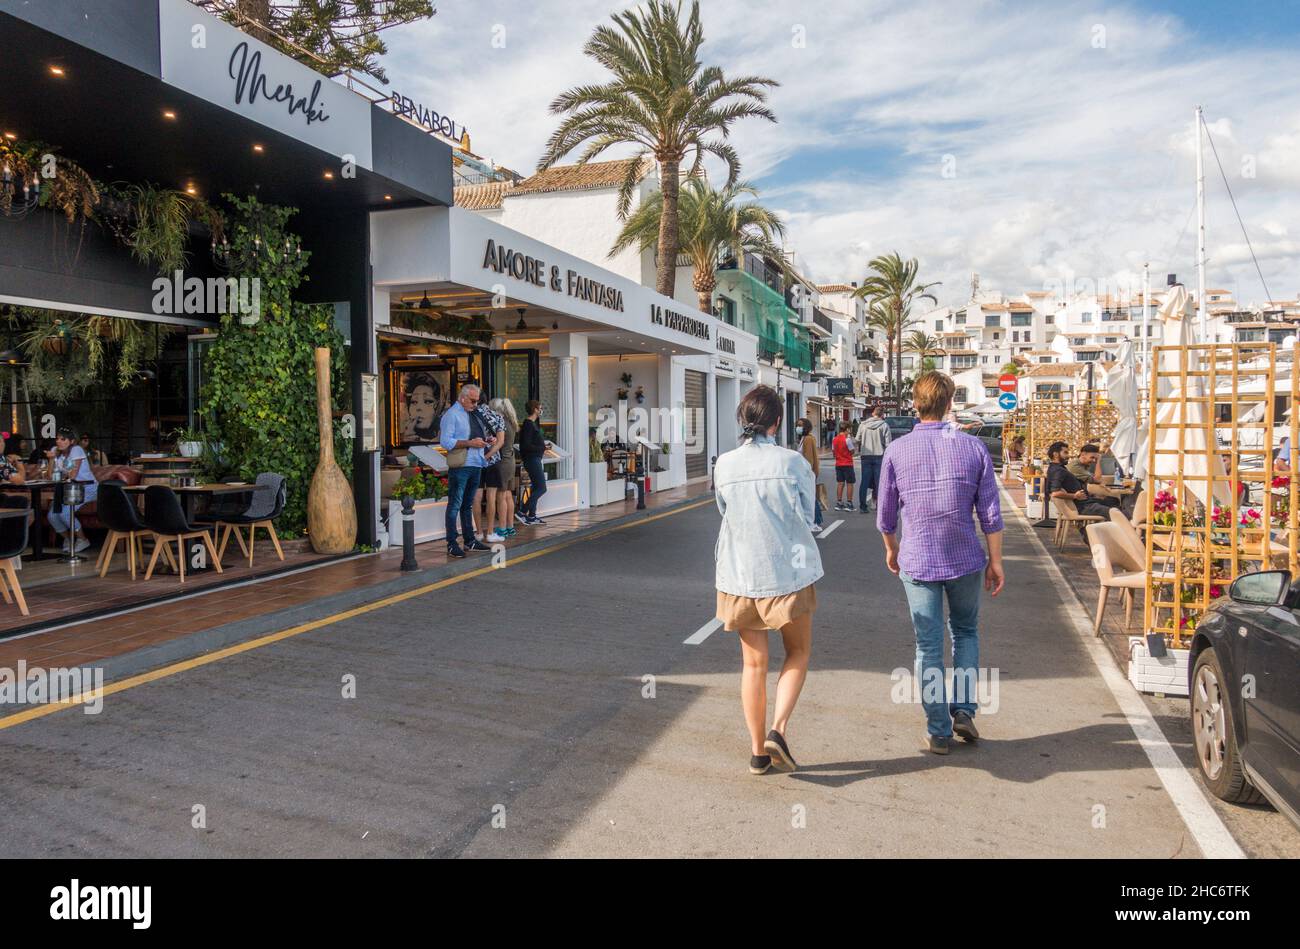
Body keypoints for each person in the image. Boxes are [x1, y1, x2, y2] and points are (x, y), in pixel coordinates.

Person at [877, 372, 1004, 756]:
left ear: (915, 404)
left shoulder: (897, 450)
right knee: (965, 632)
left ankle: (938, 730)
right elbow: (991, 513)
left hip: (917, 559)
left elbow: (885, 515)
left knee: (927, 646)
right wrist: (995, 560)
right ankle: (963, 709)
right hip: (965, 556)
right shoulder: (973, 448)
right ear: (949, 403)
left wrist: (891, 548)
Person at [714, 385, 822, 775]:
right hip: (788, 573)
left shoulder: (724, 464)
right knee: (798, 652)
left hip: (739, 575)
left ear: (743, 420)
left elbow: (723, 511)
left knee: (753, 665)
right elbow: (809, 516)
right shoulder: (793, 462)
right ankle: (779, 729)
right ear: (777, 422)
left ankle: (757, 753)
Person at [438, 384, 493, 559]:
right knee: (455, 504)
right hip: (461, 465)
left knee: (467, 505)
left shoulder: (473, 413)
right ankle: (452, 543)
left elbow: (474, 437)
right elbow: (446, 442)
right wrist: (470, 443)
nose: (476, 404)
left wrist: (485, 440)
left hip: (476, 462)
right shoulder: (452, 415)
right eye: (473, 400)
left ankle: (469, 540)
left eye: (477, 400)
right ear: (462, 398)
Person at [45, 427, 99, 554]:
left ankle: (82, 539)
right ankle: (69, 539)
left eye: (63, 439)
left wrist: (60, 473)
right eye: (57, 439)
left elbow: (73, 475)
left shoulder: (76, 450)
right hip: (67, 488)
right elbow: (49, 476)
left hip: (87, 487)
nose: (58, 441)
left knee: (64, 513)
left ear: (72, 441)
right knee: (52, 516)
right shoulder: (54, 451)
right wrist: (51, 459)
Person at [1045, 441, 1117, 524]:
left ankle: (1094, 532)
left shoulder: (1057, 468)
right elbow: (1055, 493)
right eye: (1065, 452)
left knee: (1113, 502)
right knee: (1115, 512)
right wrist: (1075, 496)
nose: (1068, 456)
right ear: (1055, 454)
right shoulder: (1058, 470)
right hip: (1083, 506)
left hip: (1084, 503)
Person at [473, 397, 508, 544]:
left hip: (474, 460)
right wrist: (488, 456)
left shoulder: (471, 415)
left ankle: (479, 533)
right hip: (492, 461)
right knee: (491, 498)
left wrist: (481, 457)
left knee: (477, 497)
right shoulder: (497, 417)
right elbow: (500, 442)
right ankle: (491, 533)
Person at [489, 397, 519, 538]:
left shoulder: (500, 423)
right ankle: (510, 526)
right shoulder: (511, 422)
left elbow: (497, 443)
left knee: (500, 496)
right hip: (510, 461)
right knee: (508, 494)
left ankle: (501, 528)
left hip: (501, 462)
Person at [518, 400, 549, 526]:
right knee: (542, 488)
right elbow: (525, 446)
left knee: (536, 487)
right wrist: (542, 448)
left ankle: (532, 516)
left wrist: (542, 447)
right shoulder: (528, 424)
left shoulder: (532, 424)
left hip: (535, 458)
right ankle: (522, 511)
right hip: (532, 460)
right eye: (540, 407)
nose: (541, 410)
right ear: (535, 409)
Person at [856, 406, 890, 513]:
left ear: (873, 414)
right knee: (879, 482)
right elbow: (888, 443)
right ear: (882, 415)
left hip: (865, 456)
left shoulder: (863, 425)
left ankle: (862, 506)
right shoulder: (884, 425)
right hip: (879, 456)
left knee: (864, 482)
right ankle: (879, 506)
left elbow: (857, 439)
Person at [795, 417, 822, 533]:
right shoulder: (803, 439)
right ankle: (814, 520)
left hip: (807, 472)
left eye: (801, 425)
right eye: (797, 425)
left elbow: (809, 458)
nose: (798, 427)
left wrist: (808, 472)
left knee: (809, 498)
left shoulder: (808, 439)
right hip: (804, 472)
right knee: (809, 498)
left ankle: (812, 522)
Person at [401, 371, 444, 443]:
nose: (419, 408)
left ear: (438, 406)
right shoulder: (401, 439)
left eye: (427, 401)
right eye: (414, 402)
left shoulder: (445, 438)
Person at [831, 422, 857, 511]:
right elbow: (852, 451)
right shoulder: (847, 439)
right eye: (849, 429)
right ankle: (849, 503)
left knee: (840, 483)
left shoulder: (834, 439)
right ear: (847, 429)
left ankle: (839, 503)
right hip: (847, 464)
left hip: (838, 464)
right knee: (850, 483)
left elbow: (833, 453)